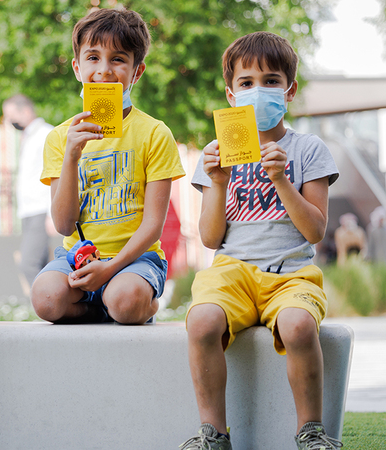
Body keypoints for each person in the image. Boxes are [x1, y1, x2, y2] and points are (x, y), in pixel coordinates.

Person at [181, 32, 342, 450]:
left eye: (271, 81)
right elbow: (211, 237)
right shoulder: (216, 153)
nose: (258, 90)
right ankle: (213, 435)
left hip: (291, 272)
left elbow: (315, 231)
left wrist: (281, 180)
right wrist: (218, 182)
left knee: (298, 325)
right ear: (231, 95)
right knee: (201, 321)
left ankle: (311, 432)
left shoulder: (308, 149)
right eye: (246, 82)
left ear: (289, 90)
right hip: (231, 271)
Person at [31, 8, 185, 325]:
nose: (104, 70)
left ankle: (137, 303)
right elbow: (63, 225)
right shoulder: (60, 138)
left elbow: (153, 225)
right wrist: (71, 157)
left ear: (136, 72)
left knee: (125, 301)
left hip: (137, 259)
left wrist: (110, 268)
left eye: (118, 59)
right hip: (78, 256)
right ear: (77, 67)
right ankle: (99, 307)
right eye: (93, 58)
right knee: (45, 300)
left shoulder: (155, 133)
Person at [2, 94, 55, 294]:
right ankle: (52, 304)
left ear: (25, 111)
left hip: (40, 210)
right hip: (28, 211)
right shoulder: (29, 137)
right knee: (42, 265)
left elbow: (55, 175)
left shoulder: (45, 134)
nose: (10, 122)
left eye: (11, 116)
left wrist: (51, 213)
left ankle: (47, 302)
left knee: (28, 264)